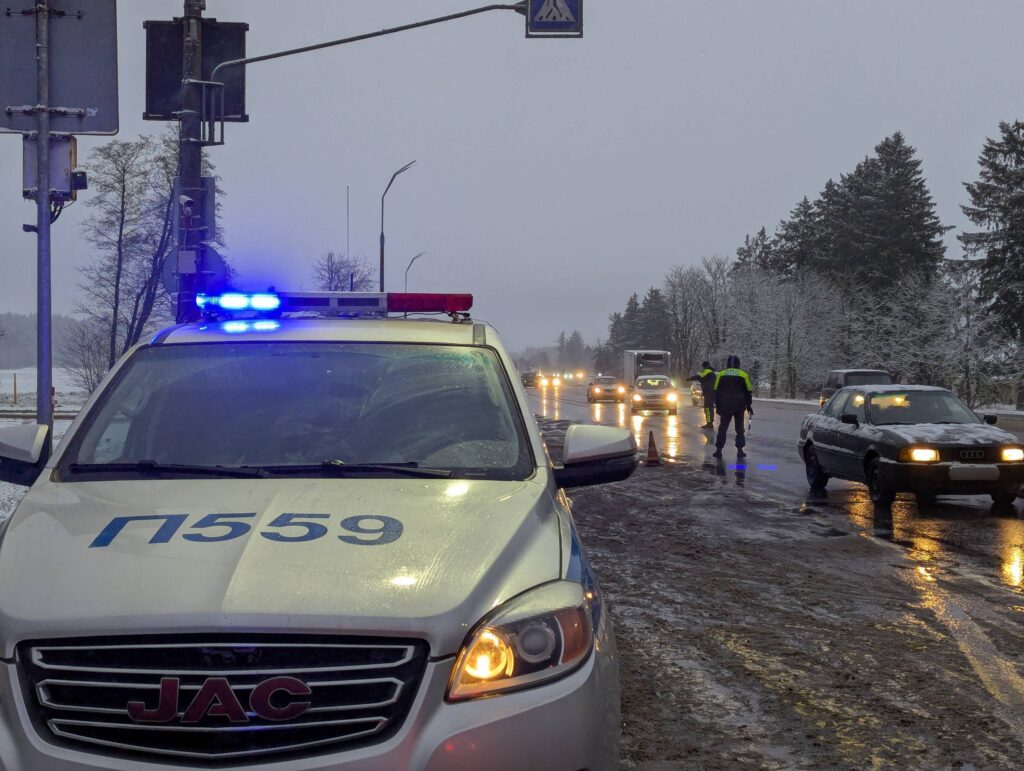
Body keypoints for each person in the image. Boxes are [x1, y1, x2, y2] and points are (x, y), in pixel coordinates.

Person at [712, 354, 752, 459]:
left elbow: (716, 391)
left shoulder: (721, 374)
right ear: (738, 364)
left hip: (725, 406)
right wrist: (749, 405)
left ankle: (719, 450)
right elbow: (748, 392)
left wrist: (718, 405)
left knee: (723, 428)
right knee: (739, 429)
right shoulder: (744, 375)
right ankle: (740, 451)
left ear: (727, 364)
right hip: (739, 406)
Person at [687, 361, 716, 428]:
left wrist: (689, 379)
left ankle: (709, 423)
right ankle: (710, 422)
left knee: (708, 408)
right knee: (710, 408)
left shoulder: (706, 372)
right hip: (711, 392)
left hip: (708, 393)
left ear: (704, 366)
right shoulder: (712, 373)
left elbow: (697, 376)